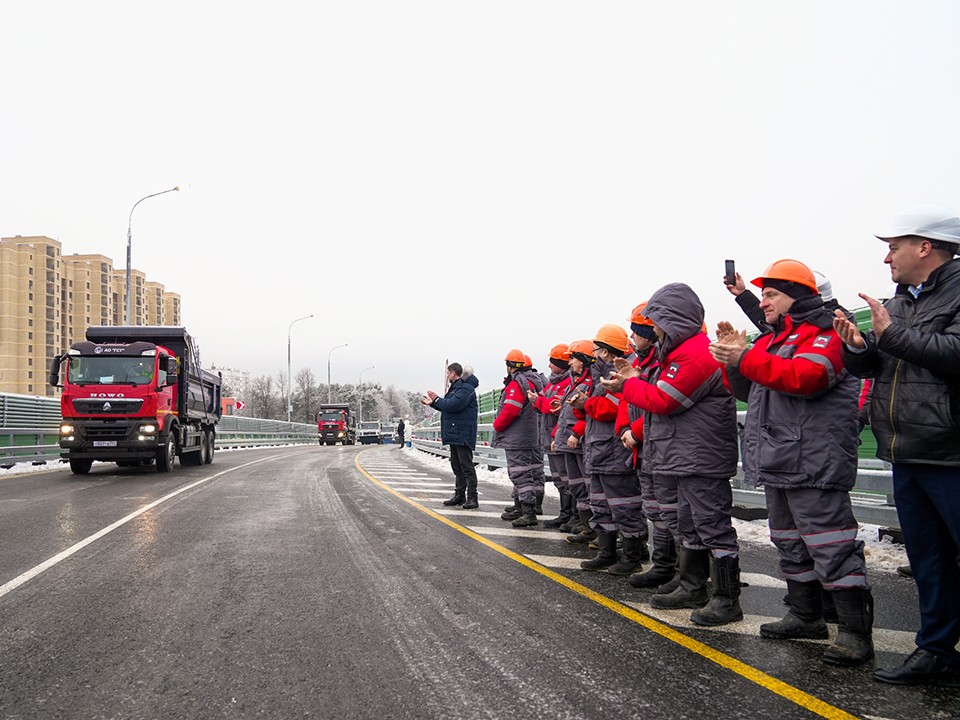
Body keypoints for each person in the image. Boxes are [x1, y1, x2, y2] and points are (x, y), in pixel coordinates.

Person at [711, 258, 873, 667]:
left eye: (770, 294)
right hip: (781, 457)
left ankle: (855, 632)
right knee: (789, 542)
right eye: (762, 295)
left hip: (814, 458)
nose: (763, 302)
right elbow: (751, 388)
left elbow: (807, 377)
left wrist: (744, 355)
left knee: (831, 544)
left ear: (796, 296)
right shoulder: (775, 338)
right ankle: (806, 615)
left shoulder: (827, 333)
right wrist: (731, 362)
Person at [834, 203, 960, 687]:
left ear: (924, 246)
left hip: (951, 450)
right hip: (907, 450)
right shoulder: (903, 301)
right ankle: (937, 651)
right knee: (928, 560)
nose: (888, 258)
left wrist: (893, 334)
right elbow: (884, 367)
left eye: (894, 247)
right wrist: (861, 348)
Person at [603, 283, 741, 626]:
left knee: (712, 525)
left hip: (700, 456)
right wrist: (636, 380)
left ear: (672, 318)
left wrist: (628, 386)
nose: (654, 328)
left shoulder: (695, 354)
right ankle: (691, 583)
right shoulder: (679, 353)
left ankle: (727, 599)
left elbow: (666, 400)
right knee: (690, 523)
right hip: (685, 454)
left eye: (657, 320)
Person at [575, 324, 645, 575]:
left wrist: (586, 403)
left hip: (613, 451)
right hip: (599, 449)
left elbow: (611, 408)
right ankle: (607, 552)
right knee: (601, 504)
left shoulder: (618, 373)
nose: (593, 353)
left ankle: (632, 556)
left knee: (623, 505)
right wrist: (584, 404)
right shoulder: (602, 375)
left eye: (596, 349)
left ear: (605, 351)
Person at [617, 302, 674, 588]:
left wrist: (635, 431)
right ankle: (664, 565)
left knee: (672, 513)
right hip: (645, 446)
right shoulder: (641, 364)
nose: (633, 337)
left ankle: (680, 572)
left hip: (656, 444)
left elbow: (660, 403)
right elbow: (628, 404)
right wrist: (625, 429)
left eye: (636, 331)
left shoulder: (661, 363)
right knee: (655, 509)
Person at [493, 349, 546, 527]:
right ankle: (529, 507)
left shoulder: (517, 384)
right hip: (532, 434)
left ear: (509, 366)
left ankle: (528, 512)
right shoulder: (536, 382)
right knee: (531, 471)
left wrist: (497, 425)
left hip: (518, 436)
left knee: (520, 474)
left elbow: (511, 410)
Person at [554, 341, 597, 543]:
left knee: (588, 485)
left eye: (573, 358)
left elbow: (588, 412)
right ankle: (586, 525)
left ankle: (592, 528)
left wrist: (577, 433)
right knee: (577, 485)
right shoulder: (576, 382)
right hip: (568, 441)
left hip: (579, 442)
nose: (570, 362)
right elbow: (565, 414)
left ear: (584, 361)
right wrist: (557, 436)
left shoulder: (590, 383)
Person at [421, 363, 480, 510]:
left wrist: (436, 400)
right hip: (455, 431)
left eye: (448, 373)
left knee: (466, 466)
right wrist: (434, 403)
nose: (447, 376)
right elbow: (448, 405)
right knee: (457, 465)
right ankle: (460, 495)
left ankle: (473, 497)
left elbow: (454, 405)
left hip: (463, 432)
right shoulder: (456, 388)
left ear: (454, 373)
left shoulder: (466, 388)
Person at [529, 344, 573, 528]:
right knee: (558, 478)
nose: (549, 366)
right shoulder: (554, 384)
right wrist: (538, 401)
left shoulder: (566, 383)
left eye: (552, 362)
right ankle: (566, 514)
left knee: (567, 478)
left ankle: (571, 516)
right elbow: (545, 405)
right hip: (550, 436)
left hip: (560, 437)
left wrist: (538, 401)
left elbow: (552, 406)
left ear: (559, 364)